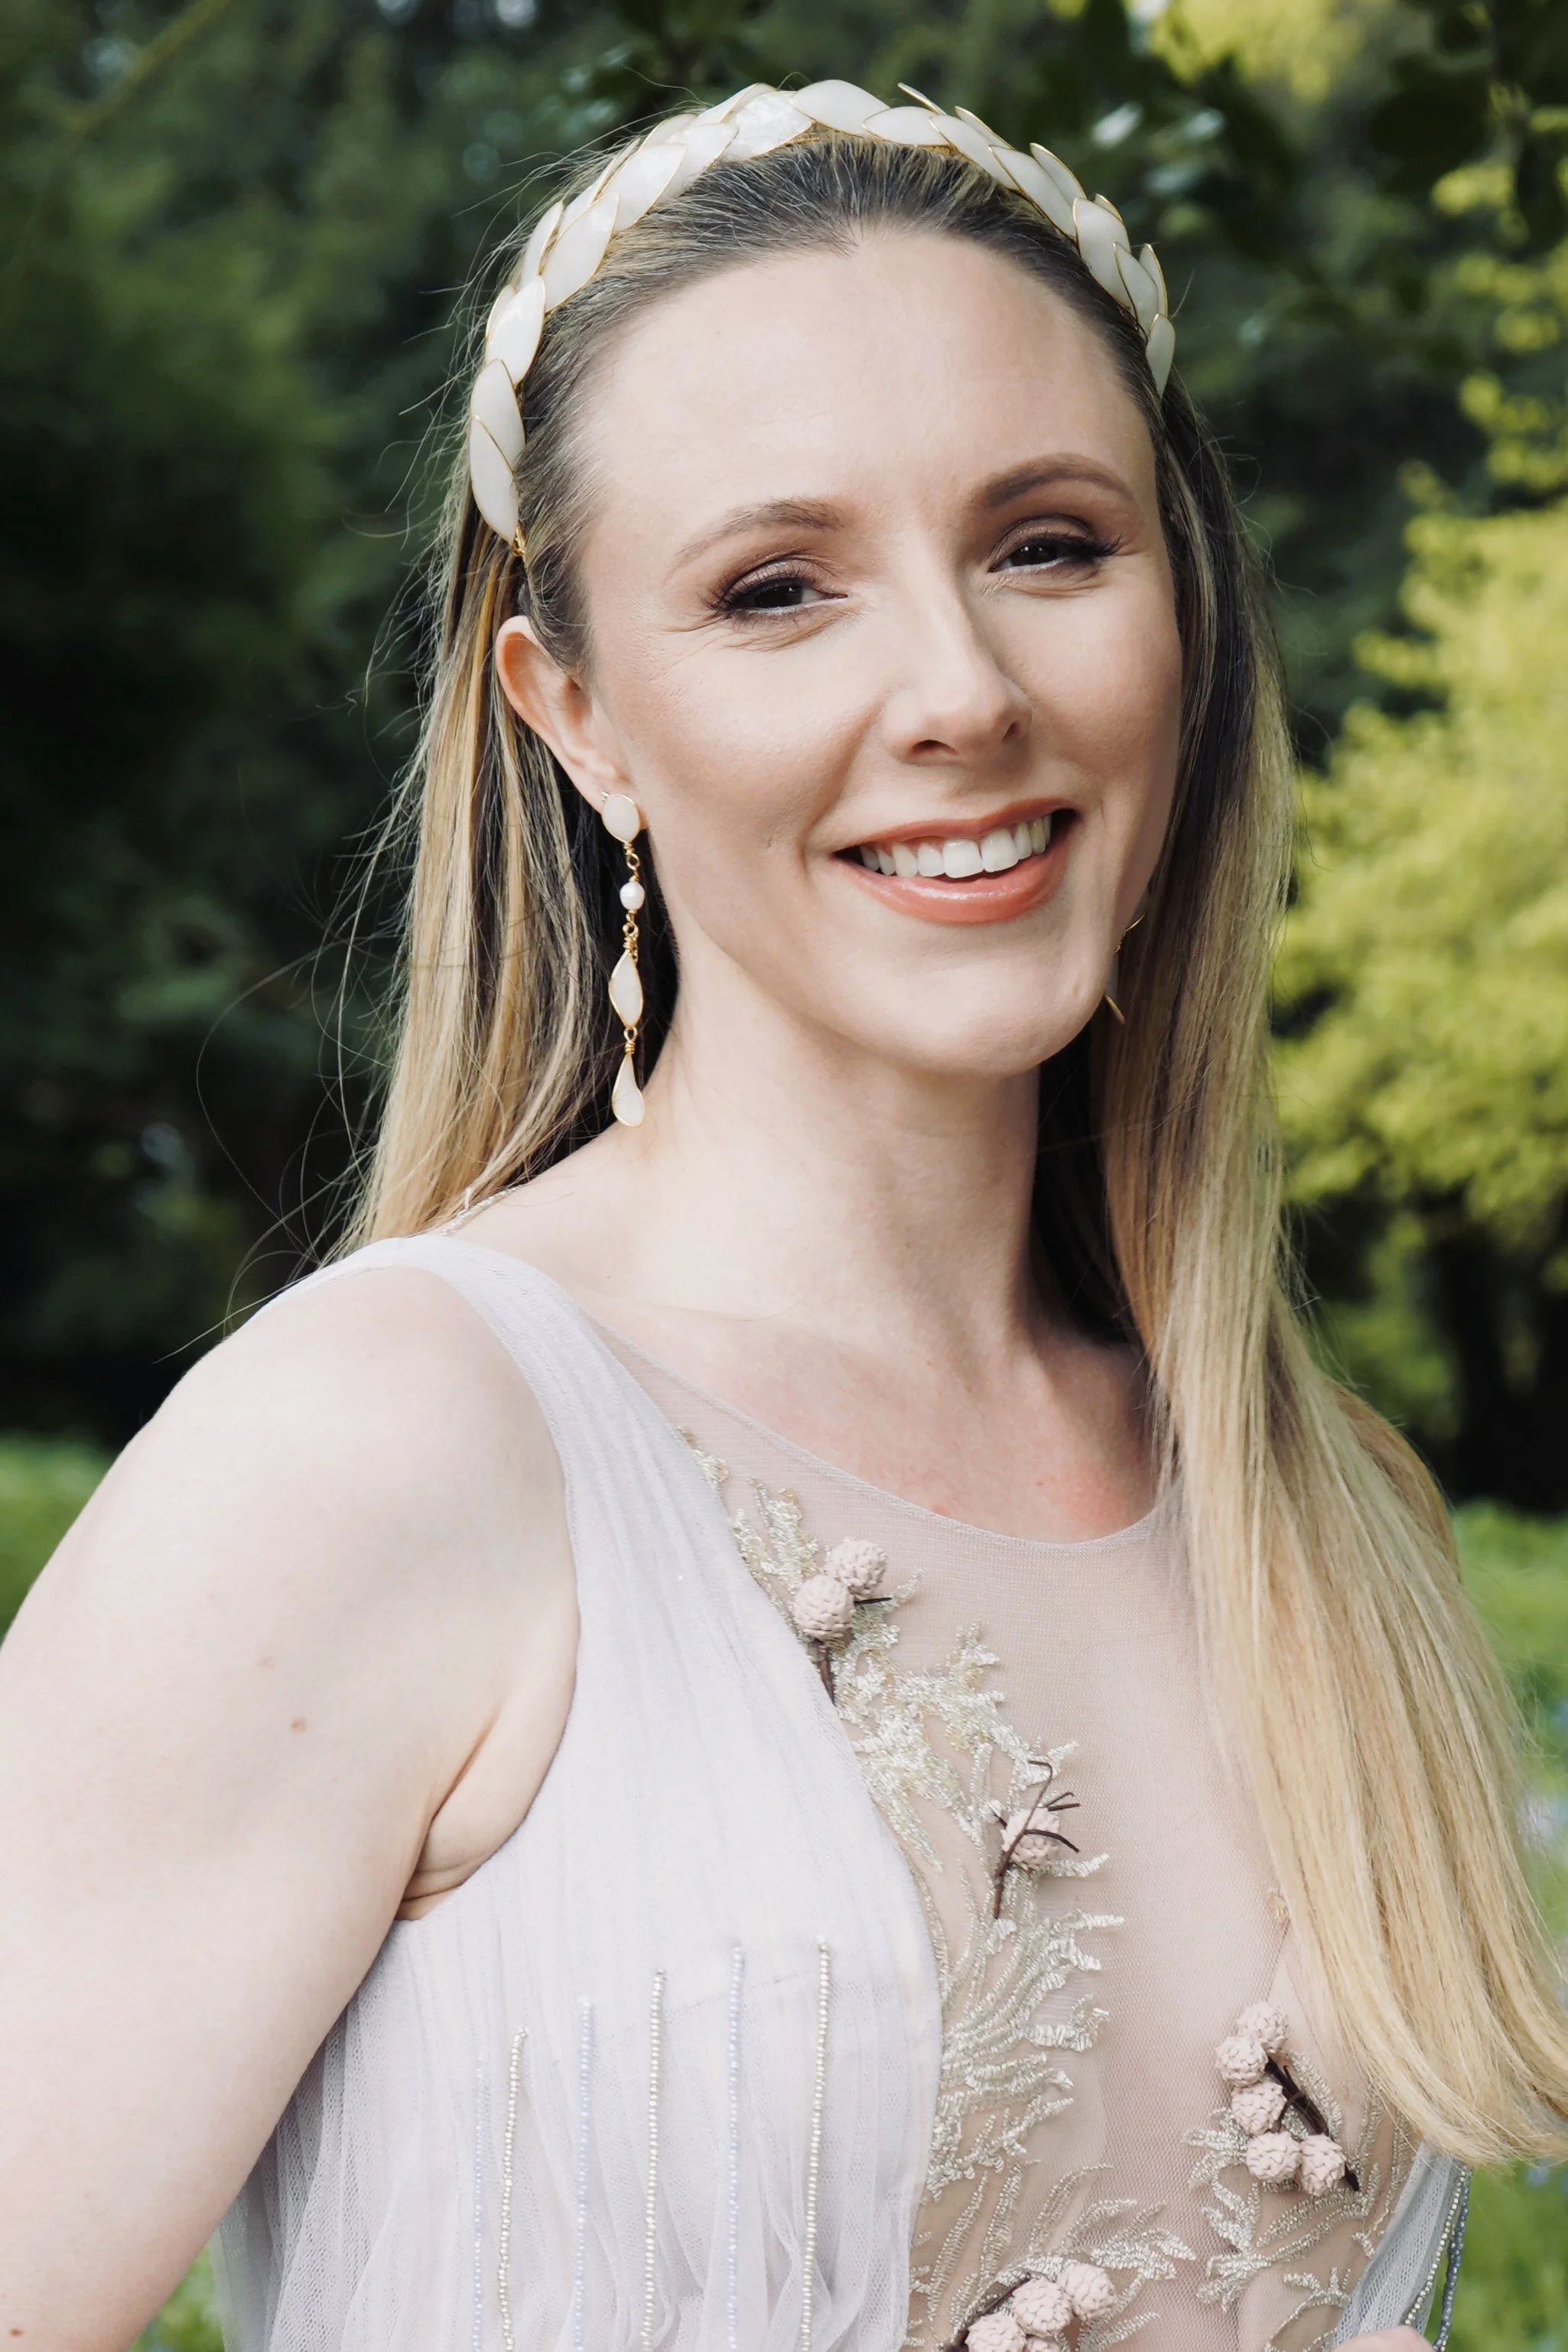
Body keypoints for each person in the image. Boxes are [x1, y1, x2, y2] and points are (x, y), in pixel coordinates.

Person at [0, 77, 1563, 2352]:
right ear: (580, 716)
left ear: (1188, 621)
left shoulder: (1341, 1530)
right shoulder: (377, 1457)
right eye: (776, 589)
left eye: (1048, 544)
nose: (958, 689)